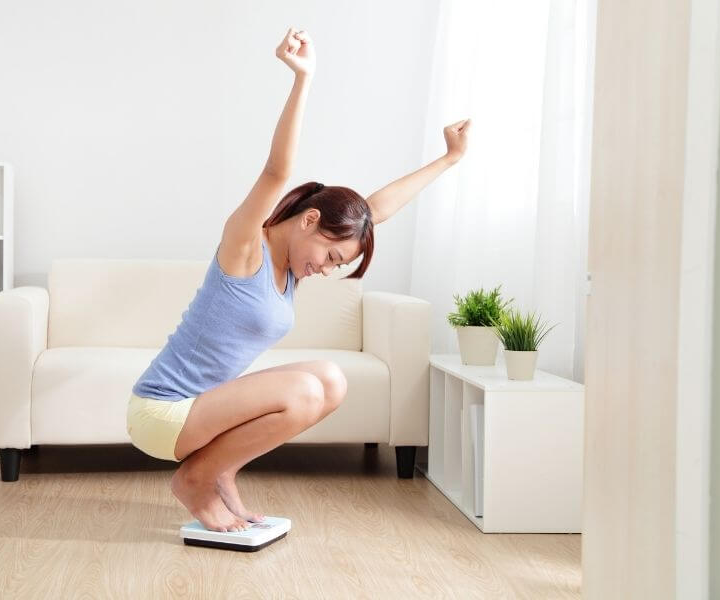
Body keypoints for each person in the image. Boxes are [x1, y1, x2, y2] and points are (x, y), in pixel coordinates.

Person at [126, 27, 470, 533]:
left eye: (338, 264)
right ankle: (196, 479)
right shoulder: (245, 247)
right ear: (309, 220)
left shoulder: (294, 268)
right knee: (307, 391)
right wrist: (303, 78)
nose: (328, 269)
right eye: (331, 256)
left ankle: (220, 474)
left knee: (331, 380)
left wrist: (449, 159)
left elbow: (375, 210)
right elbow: (275, 172)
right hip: (164, 413)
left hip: (204, 410)